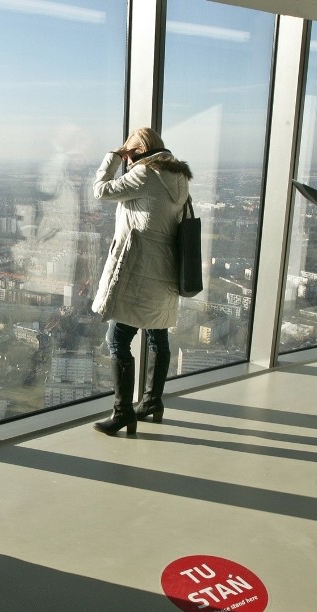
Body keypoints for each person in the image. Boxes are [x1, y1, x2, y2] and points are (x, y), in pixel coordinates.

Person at [90, 127, 192, 435]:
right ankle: (151, 402)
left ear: (138, 152)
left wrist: (112, 157)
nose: (127, 160)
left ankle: (123, 412)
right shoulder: (179, 178)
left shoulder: (144, 175)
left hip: (140, 272)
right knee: (157, 337)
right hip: (166, 273)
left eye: (129, 154)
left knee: (117, 339)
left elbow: (101, 190)